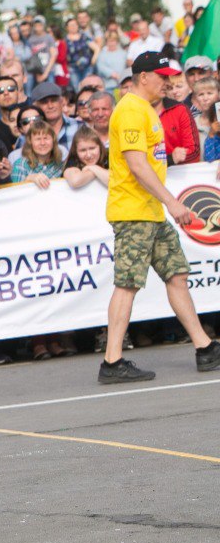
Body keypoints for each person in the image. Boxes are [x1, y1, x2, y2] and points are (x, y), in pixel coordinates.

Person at [99, 52, 220, 384]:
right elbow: (137, 166)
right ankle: (112, 361)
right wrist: (173, 203)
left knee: (177, 274)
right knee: (127, 285)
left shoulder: (147, 110)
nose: (168, 81)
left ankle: (205, 347)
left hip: (149, 211)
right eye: (162, 75)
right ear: (143, 78)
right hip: (134, 212)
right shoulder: (129, 112)